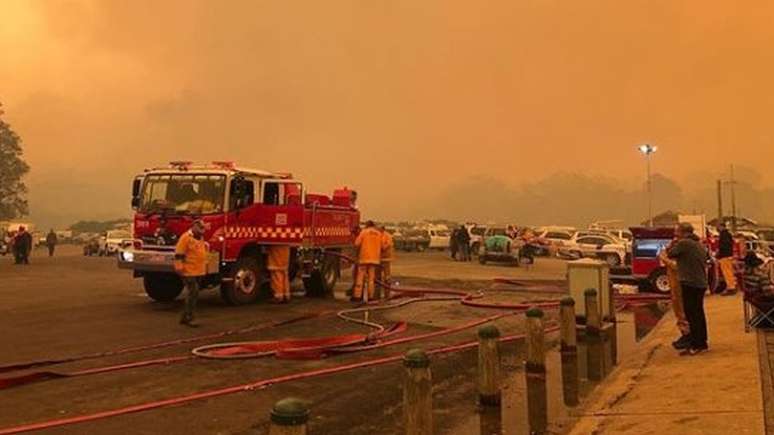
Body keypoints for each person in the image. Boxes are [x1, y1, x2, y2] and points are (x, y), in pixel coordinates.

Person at [667, 223, 710, 356]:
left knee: (691, 315)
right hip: (700, 283)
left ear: (683, 232)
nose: (675, 234)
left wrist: (672, 243)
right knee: (698, 313)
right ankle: (701, 342)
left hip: (690, 283)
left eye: (677, 231)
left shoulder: (684, 243)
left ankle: (696, 344)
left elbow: (670, 253)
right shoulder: (698, 243)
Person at [174, 220, 208, 326]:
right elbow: (179, 254)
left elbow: (202, 254)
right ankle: (189, 317)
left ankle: (185, 317)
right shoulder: (185, 238)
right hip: (188, 271)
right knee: (193, 292)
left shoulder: (200, 238)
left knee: (193, 293)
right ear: (194, 227)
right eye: (200, 228)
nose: (202, 231)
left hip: (198, 271)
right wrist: (179, 267)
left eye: (203, 229)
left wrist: (205, 267)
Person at [659, 238, 691, 349]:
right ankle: (684, 333)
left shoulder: (680, 260)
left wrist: (664, 257)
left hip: (680, 288)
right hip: (675, 290)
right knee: (679, 311)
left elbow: (674, 266)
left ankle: (687, 335)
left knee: (682, 312)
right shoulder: (674, 257)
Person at [353, 221, 385, 302]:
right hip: (374, 259)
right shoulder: (379, 234)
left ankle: (357, 296)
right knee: (371, 279)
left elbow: (357, 243)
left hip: (364, 258)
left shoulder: (364, 232)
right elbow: (383, 246)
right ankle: (371, 296)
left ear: (367, 225)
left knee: (360, 277)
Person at [716, 222, 737, 296]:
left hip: (724, 256)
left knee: (727, 272)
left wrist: (719, 253)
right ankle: (732, 286)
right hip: (729, 255)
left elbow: (723, 246)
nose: (717, 228)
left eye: (718, 227)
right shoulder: (728, 234)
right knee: (730, 272)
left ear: (721, 227)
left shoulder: (723, 235)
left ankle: (731, 288)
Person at [379, 227, 395, 297]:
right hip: (379, 258)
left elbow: (386, 246)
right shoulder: (380, 235)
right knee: (378, 276)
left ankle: (387, 293)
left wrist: (380, 247)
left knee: (387, 276)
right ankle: (378, 292)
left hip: (386, 258)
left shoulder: (387, 236)